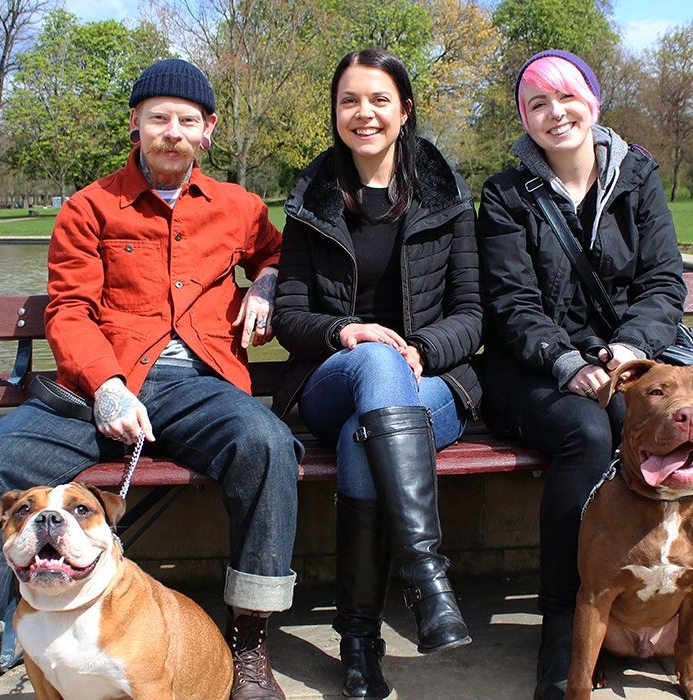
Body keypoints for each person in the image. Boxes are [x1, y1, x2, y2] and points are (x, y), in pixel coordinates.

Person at [0, 58, 302, 700]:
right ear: (136, 125)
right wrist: (106, 386)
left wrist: (266, 280)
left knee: (266, 445)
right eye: (158, 119)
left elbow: (281, 253)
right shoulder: (89, 207)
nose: (172, 131)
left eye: (186, 120)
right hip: (93, 393)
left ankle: (250, 644)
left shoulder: (240, 207)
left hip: (199, 389)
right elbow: (68, 309)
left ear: (208, 130)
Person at [475, 50, 693, 699]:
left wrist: (629, 348)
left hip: (630, 359)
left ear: (591, 103)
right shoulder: (507, 193)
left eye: (566, 96)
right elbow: (511, 303)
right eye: (536, 103)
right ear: (525, 118)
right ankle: (565, 622)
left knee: (660, 421)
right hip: (533, 368)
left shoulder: (638, 176)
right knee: (585, 433)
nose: (554, 112)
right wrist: (568, 363)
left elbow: (660, 280)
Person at [272, 48, 482, 700]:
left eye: (379, 100)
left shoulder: (446, 199)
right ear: (335, 112)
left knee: (369, 430)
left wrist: (420, 346)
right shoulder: (310, 202)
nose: (364, 113)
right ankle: (425, 578)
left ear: (405, 109)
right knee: (372, 360)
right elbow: (288, 317)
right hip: (335, 378)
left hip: (431, 386)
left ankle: (359, 643)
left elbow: (474, 316)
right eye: (350, 101)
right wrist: (345, 332)